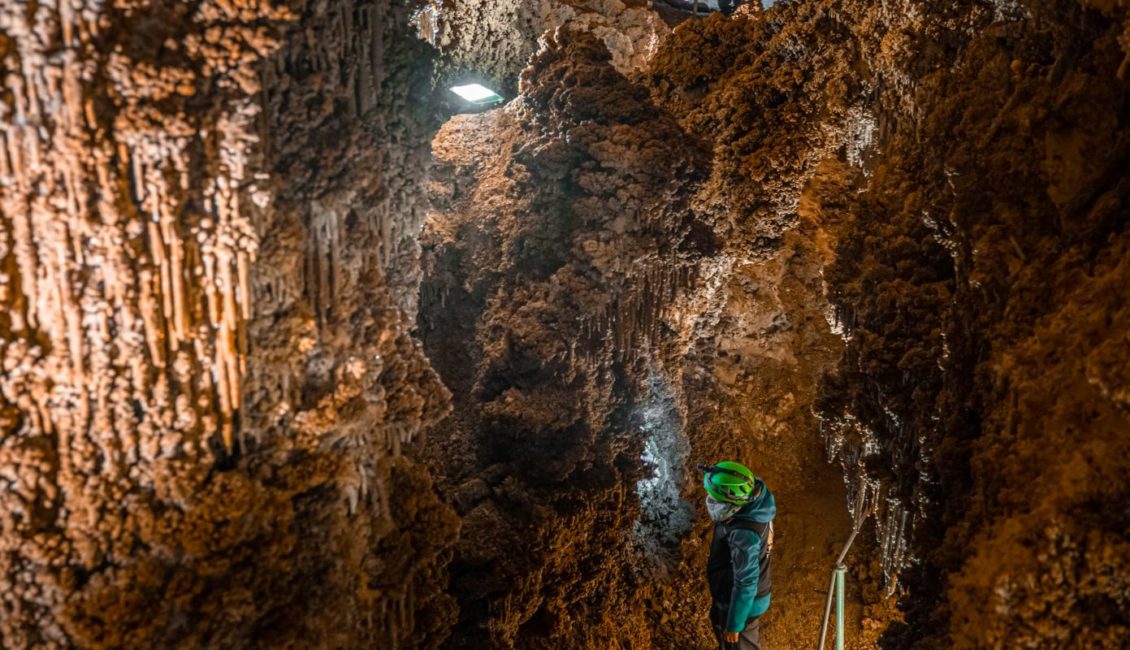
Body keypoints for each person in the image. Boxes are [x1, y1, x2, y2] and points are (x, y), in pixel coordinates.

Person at [700, 461, 776, 650]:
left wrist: (735, 625)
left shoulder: (744, 533)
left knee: (739, 643)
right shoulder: (757, 501)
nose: (710, 499)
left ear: (731, 502)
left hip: (743, 603)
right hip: (737, 597)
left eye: (714, 497)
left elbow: (746, 582)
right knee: (721, 628)